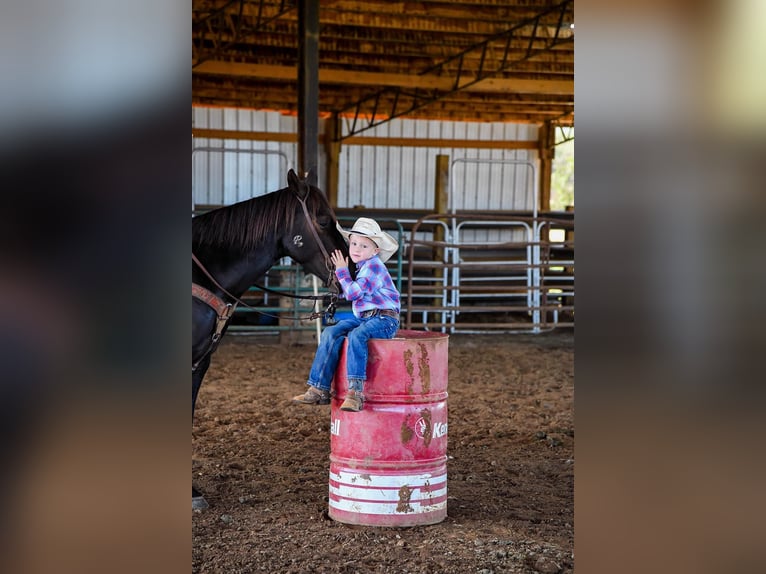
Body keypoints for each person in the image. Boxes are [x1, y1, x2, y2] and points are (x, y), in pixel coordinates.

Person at [291, 217, 400, 412]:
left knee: (357, 335)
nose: (357, 249)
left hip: (386, 319)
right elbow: (353, 292)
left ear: (375, 251)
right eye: (354, 243)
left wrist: (342, 272)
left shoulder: (374, 266)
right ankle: (319, 387)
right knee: (330, 333)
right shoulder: (363, 267)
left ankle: (355, 392)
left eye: (364, 246)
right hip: (366, 318)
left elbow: (353, 293)